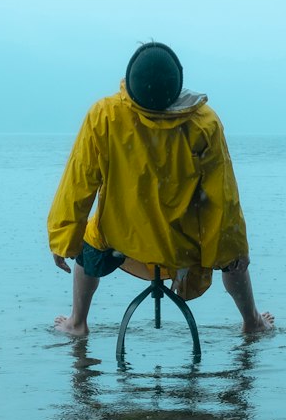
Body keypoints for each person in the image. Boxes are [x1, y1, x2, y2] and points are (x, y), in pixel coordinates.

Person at [48, 42, 274, 339]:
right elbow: (224, 199)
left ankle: (78, 322)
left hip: (121, 239)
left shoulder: (105, 116)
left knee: (89, 242)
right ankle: (251, 321)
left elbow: (77, 185)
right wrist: (237, 250)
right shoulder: (204, 123)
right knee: (232, 255)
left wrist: (64, 238)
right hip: (183, 244)